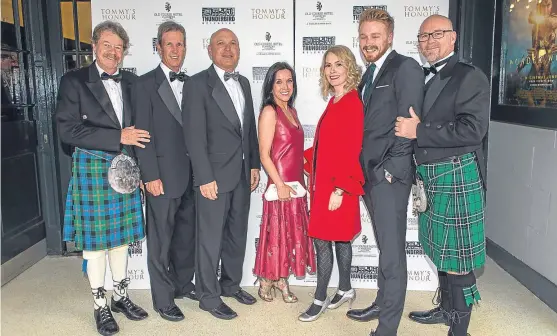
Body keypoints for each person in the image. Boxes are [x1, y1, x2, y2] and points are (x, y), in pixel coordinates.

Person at [395, 14, 489, 336]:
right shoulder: (420, 76)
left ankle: (459, 331)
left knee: (459, 258)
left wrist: (418, 130)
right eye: (423, 37)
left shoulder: (469, 76)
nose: (430, 41)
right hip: (430, 176)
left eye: (437, 34)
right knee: (441, 249)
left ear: (453, 38)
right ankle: (446, 309)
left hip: (456, 173)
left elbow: (473, 129)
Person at [56, 20, 149, 336]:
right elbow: (67, 131)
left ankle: (121, 296)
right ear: (94, 46)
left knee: (122, 239)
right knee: (96, 245)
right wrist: (116, 136)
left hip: (124, 167)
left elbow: (137, 132)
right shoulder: (74, 81)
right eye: (107, 45)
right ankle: (100, 305)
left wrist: (137, 169)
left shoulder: (132, 82)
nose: (113, 52)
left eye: (118, 47)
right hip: (93, 168)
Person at [345, 8, 425, 336]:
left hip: (388, 176)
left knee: (392, 253)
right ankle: (381, 302)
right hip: (369, 175)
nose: (368, 42)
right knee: (383, 246)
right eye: (364, 37)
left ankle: (387, 327)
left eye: (375, 36)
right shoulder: (369, 73)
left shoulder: (405, 67)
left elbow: (409, 123)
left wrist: (391, 170)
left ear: (389, 36)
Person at [183, 28, 260, 320]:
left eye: (233, 44)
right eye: (221, 44)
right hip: (213, 177)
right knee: (209, 238)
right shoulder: (197, 84)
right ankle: (207, 295)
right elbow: (193, 136)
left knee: (236, 235)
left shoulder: (244, 83)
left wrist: (253, 164)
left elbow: (248, 129)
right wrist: (204, 177)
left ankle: (230, 285)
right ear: (210, 50)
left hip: (241, 174)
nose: (228, 49)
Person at [134, 21, 196, 322]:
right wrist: (149, 176)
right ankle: (163, 298)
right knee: (160, 241)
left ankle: (183, 285)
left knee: (185, 237)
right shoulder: (143, 84)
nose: (175, 50)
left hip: (192, 176)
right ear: (158, 47)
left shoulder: (193, 83)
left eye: (180, 44)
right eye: (169, 44)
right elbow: (141, 136)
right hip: (161, 175)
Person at [298, 45, 364, 322]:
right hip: (326, 184)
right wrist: (305, 161)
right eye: (328, 65)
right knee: (340, 239)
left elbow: (351, 149)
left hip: (338, 186)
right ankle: (346, 288)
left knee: (323, 242)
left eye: (339, 64)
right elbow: (328, 144)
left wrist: (340, 190)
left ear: (349, 68)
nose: (333, 70)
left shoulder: (351, 102)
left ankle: (319, 298)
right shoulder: (335, 100)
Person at [253, 62, 316, 303]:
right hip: (281, 186)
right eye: (279, 81)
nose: (285, 86)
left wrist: (310, 173)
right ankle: (271, 280)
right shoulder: (270, 112)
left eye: (289, 81)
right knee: (277, 238)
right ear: (270, 85)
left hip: (297, 186)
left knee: (292, 236)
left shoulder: (293, 111)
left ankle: (278, 279)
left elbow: (294, 152)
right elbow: (264, 154)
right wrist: (279, 184)